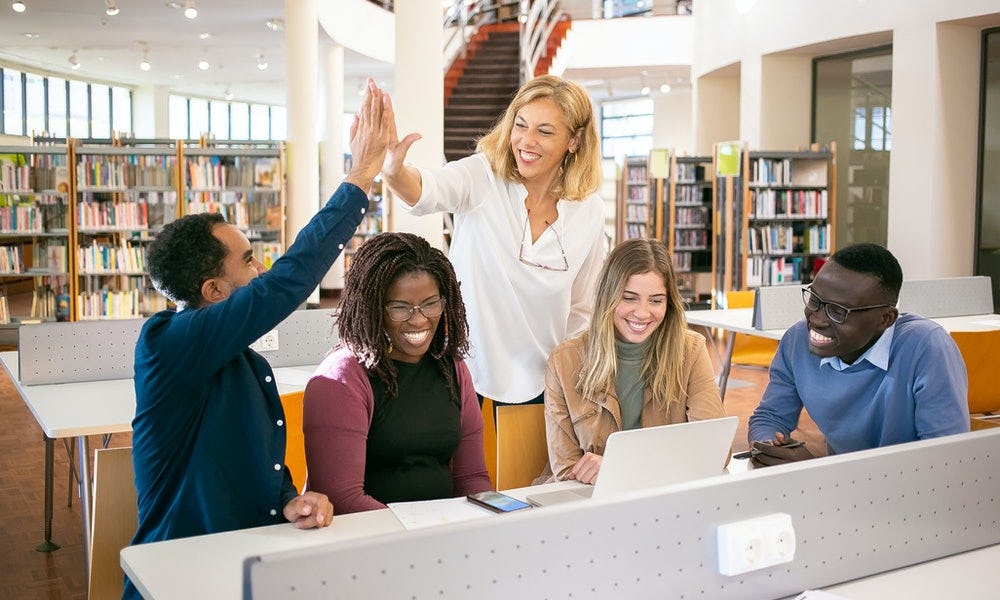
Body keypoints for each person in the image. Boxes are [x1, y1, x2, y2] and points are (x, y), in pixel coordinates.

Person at [126, 79, 390, 595]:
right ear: (214, 290)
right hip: (181, 577)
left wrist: (288, 499)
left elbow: (251, 459)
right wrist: (359, 177)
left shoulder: (243, 362)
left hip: (248, 564)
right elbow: (286, 282)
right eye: (248, 261)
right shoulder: (167, 343)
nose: (261, 268)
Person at [380, 74, 607, 408]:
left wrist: (569, 380)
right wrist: (394, 172)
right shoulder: (483, 177)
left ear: (574, 140)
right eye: (521, 125)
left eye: (544, 131)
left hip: (543, 383)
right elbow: (427, 190)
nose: (526, 141)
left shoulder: (589, 211)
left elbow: (582, 308)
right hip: (462, 372)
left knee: (526, 463)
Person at [303, 232, 493, 514]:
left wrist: (493, 517)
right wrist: (421, 534)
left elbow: (471, 478)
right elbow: (342, 499)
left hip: (442, 535)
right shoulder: (341, 379)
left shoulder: (452, 368)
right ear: (372, 308)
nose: (419, 319)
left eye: (431, 303)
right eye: (400, 308)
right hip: (372, 541)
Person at [748, 243, 970, 465]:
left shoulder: (926, 347)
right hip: (844, 490)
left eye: (838, 312)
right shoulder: (797, 340)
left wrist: (815, 472)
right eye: (815, 300)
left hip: (912, 492)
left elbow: (945, 463)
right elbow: (770, 417)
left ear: (886, 319)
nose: (817, 319)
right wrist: (769, 445)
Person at [542, 238, 724, 483]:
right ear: (609, 297)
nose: (642, 313)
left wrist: (621, 468)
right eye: (629, 298)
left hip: (663, 498)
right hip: (589, 502)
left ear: (669, 304)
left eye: (656, 300)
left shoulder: (691, 351)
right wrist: (657, 466)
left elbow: (715, 451)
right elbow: (566, 471)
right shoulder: (564, 361)